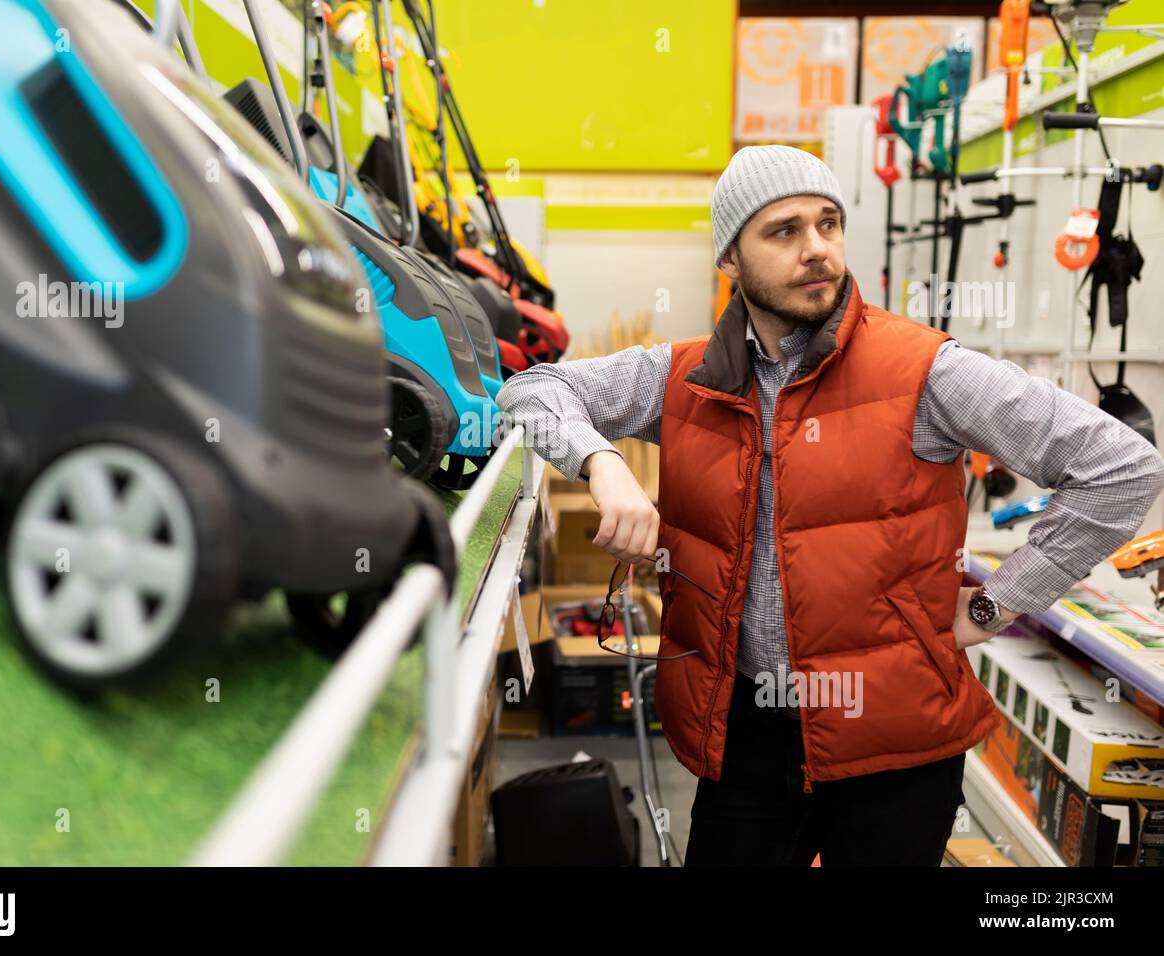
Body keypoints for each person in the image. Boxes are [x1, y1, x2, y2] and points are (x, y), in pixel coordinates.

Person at [495, 144, 1164, 866]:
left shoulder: (924, 371)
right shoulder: (683, 378)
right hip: (745, 741)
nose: (816, 249)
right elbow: (528, 392)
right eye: (783, 231)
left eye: (828, 224)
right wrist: (603, 463)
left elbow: (1121, 468)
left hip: (894, 752)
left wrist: (993, 606)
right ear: (730, 259)